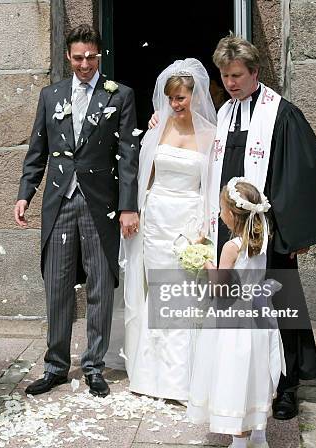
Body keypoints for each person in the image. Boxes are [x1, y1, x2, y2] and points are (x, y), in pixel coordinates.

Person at [151, 35, 316, 419]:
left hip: (267, 231)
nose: (231, 82)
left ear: (255, 72)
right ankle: (242, 381)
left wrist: (292, 235)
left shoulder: (282, 115)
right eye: (225, 75)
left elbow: (297, 176)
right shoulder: (224, 115)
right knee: (235, 309)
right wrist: (161, 121)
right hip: (228, 227)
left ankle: (287, 386)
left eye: (237, 74)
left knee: (280, 305)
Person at [14, 24, 139, 398]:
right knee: (57, 286)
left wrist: (128, 207)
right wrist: (25, 194)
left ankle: (93, 367)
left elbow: (129, 156)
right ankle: (55, 366)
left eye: (91, 57)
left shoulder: (121, 95)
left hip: (101, 205)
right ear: (68, 57)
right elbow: (37, 151)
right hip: (59, 202)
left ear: (100, 55)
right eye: (78, 57)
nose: (85, 64)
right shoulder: (50, 95)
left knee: (101, 285)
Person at [109, 59, 216, 403]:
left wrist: (204, 228)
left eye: (181, 98)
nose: (175, 104)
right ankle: (149, 376)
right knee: (156, 292)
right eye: (171, 98)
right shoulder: (158, 128)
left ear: (196, 97)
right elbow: (143, 176)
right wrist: (135, 211)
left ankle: (181, 380)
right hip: (157, 218)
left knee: (183, 297)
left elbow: (211, 186)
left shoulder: (212, 135)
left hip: (188, 220)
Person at [187, 178, 285, 448]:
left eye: (221, 209)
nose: (220, 215)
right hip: (259, 315)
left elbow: (220, 288)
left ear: (231, 214)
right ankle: (259, 436)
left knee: (234, 372)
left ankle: (239, 442)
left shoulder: (231, 247)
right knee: (257, 372)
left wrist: (206, 262)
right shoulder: (262, 239)